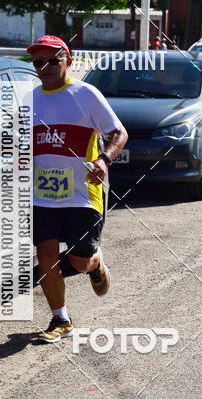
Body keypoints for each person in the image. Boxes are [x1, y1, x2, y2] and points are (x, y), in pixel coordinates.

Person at [28, 35, 128, 342]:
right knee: (45, 253)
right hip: (44, 196)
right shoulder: (29, 100)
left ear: (68, 61)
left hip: (83, 193)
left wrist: (104, 159)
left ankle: (94, 263)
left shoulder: (85, 94)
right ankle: (61, 319)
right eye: (38, 62)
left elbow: (119, 133)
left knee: (79, 261)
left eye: (52, 60)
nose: (44, 67)